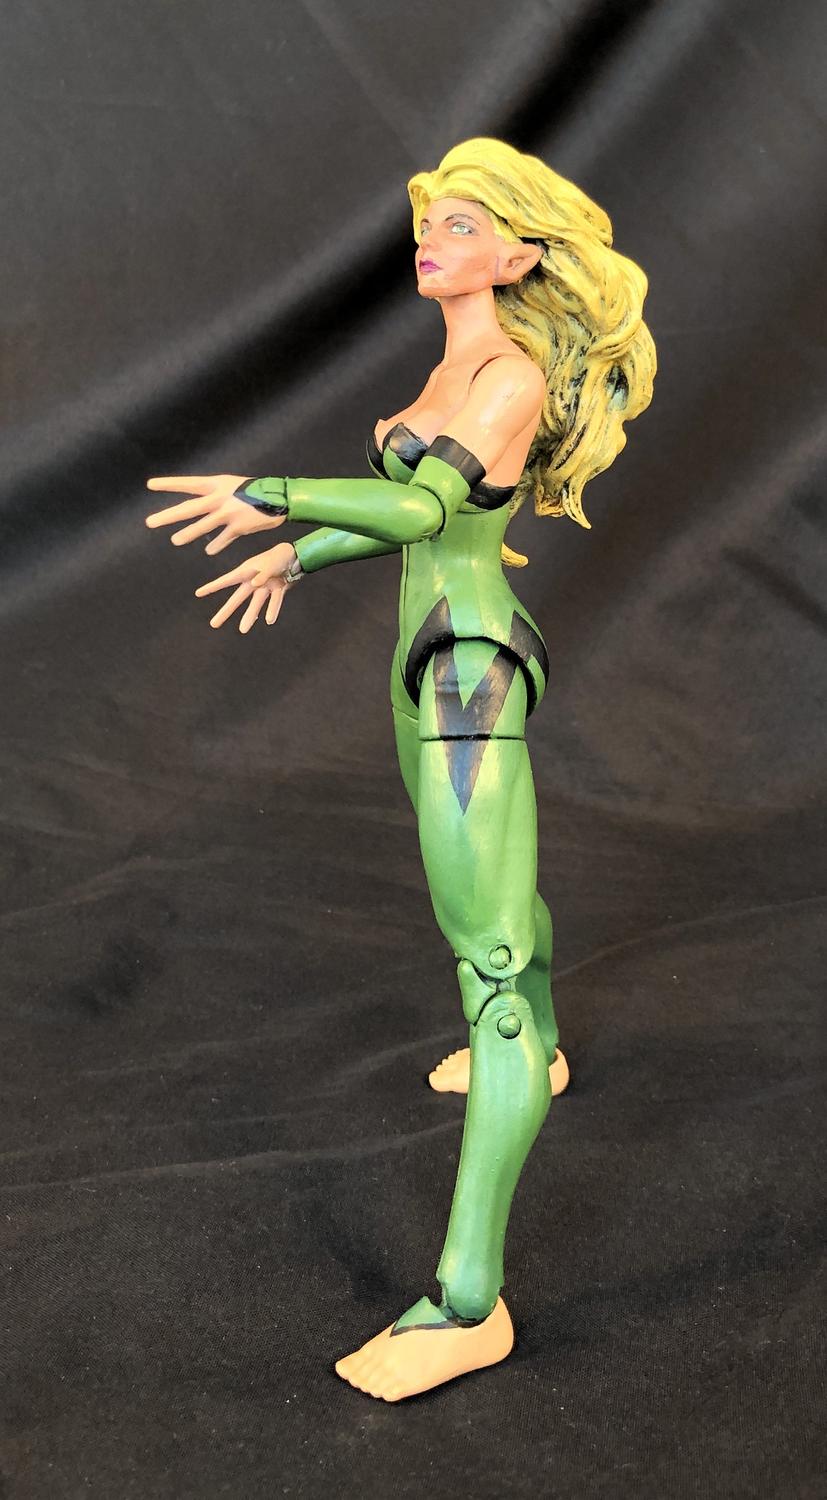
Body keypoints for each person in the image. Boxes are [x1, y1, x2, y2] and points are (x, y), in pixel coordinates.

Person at [146, 138, 656, 1402]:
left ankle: (467, 1300)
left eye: (464, 223)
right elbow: (419, 512)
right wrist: (300, 554)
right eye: (430, 219)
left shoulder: (506, 375)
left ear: (519, 256)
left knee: (485, 959)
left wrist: (273, 496)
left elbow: (428, 512)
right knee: (488, 903)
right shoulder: (450, 363)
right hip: (421, 663)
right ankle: (541, 1043)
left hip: (467, 673)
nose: (433, 238)